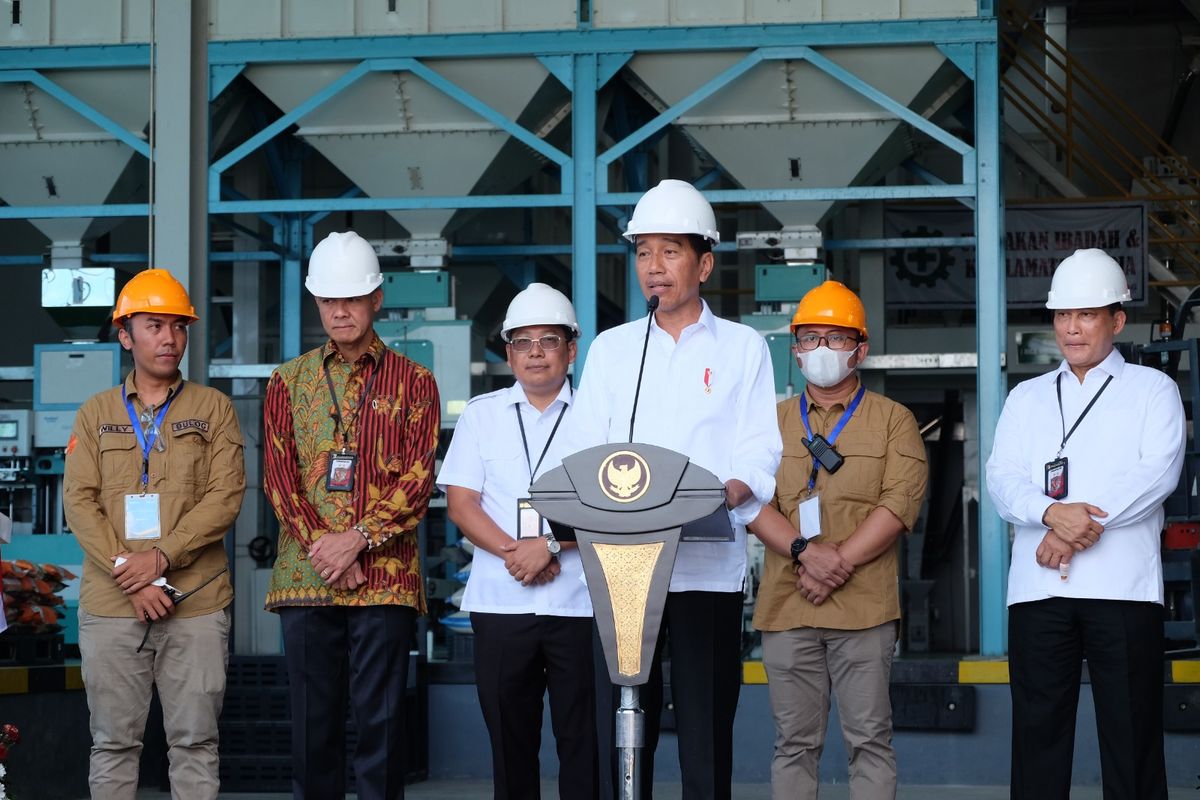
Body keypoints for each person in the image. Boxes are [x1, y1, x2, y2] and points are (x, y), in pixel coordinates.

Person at [568, 179, 783, 799]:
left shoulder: (743, 348)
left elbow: (759, 446)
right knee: (622, 730)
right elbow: (585, 449)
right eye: (643, 253)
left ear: (704, 263)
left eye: (669, 251)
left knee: (704, 732)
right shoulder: (612, 350)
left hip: (704, 571)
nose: (653, 268)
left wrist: (733, 490)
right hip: (622, 572)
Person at [986, 248, 1184, 800]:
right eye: (1062, 315)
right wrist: (1050, 513)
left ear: (1116, 321)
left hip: (1122, 589)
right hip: (1038, 591)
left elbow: (1157, 475)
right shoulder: (1026, 397)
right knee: (1037, 737)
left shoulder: (1152, 390)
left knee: (1132, 736)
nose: (1071, 328)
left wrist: (1074, 528)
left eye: (1087, 315)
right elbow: (1001, 477)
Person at [263, 230, 441, 800]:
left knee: (382, 729)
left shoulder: (416, 383)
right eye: (328, 300)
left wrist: (357, 540)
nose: (340, 311)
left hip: (384, 581)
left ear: (377, 299)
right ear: (316, 302)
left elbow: (419, 479)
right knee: (312, 731)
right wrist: (327, 547)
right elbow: (279, 477)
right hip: (306, 580)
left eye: (353, 298)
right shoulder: (285, 383)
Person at [63, 269, 246, 800]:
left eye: (178, 327)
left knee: (194, 742)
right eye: (154, 325)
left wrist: (161, 558)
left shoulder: (212, 408)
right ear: (126, 335)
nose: (169, 338)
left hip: (196, 601)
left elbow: (225, 496)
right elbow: (80, 502)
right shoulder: (96, 413)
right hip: (113, 604)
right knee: (114, 744)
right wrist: (132, 574)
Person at [747, 281, 927, 800]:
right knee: (793, 744)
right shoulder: (769, 424)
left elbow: (899, 504)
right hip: (788, 607)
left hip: (864, 612)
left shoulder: (895, 422)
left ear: (860, 349)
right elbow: (752, 502)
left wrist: (837, 562)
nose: (821, 349)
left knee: (869, 740)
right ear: (796, 348)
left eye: (834, 337)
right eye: (810, 338)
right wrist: (806, 553)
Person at [438, 283, 598, 800]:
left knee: (583, 741)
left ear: (570, 350)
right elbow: (463, 503)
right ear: (507, 352)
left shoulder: (599, 416)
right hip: (501, 602)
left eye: (547, 340)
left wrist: (549, 546)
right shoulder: (483, 415)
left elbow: (613, 503)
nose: (534, 352)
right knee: (510, 742)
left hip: (581, 605)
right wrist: (520, 552)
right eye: (522, 341)